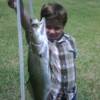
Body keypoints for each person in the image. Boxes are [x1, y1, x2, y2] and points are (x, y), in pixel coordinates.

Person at [8, 0, 77, 100]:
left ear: (63, 26)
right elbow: (29, 26)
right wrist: (18, 7)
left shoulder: (70, 41)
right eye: (48, 27)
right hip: (52, 96)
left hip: (71, 94)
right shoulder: (44, 42)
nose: (52, 31)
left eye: (57, 28)